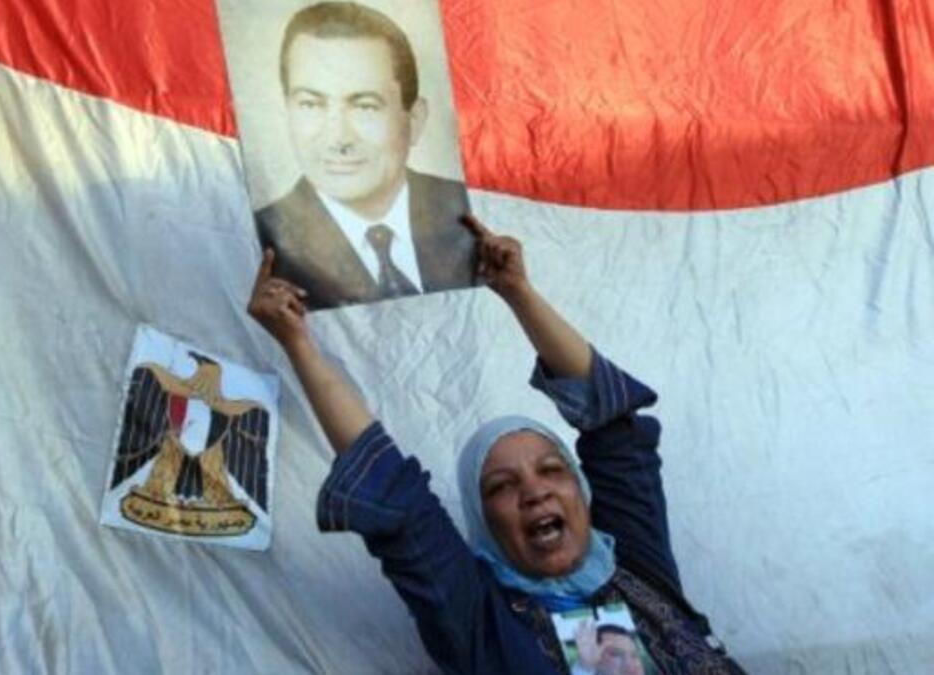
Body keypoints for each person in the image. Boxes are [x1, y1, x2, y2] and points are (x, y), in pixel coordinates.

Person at [246, 215, 747, 674]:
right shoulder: (482, 624)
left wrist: (517, 292)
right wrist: (297, 343)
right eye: (502, 486)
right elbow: (399, 502)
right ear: (484, 523)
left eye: (552, 470)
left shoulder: (636, 564)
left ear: (582, 492)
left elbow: (614, 429)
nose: (536, 492)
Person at [254, 1, 475, 309]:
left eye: (365, 106)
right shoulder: (257, 240)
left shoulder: (471, 215)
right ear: (286, 113)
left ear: (414, 119)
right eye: (310, 104)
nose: (338, 138)